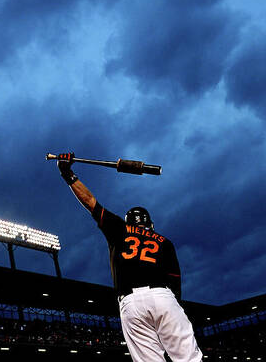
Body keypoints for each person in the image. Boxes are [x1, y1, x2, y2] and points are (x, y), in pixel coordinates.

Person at [56, 152, 202, 362]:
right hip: (163, 295)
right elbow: (175, 282)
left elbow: (90, 202)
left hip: (130, 302)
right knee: (189, 359)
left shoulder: (119, 228)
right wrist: (172, 308)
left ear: (129, 222)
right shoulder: (163, 241)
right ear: (150, 225)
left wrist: (67, 173)